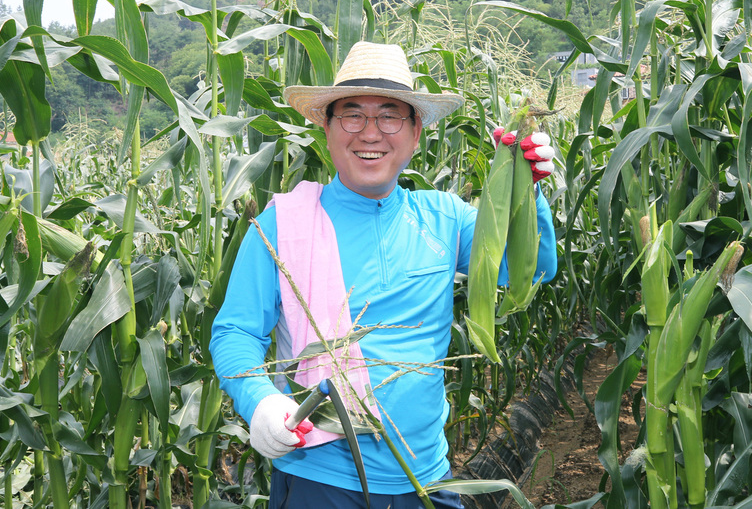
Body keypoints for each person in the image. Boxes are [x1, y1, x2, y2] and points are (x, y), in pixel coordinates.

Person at [210, 41, 557, 509]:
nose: (370, 133)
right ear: (327, 131)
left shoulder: (445, 219)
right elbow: (236, 330)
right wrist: (260, 401)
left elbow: (529, 270)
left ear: (415, 134)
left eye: (390, 115)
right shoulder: (280, 226)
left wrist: (524, 184)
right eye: (352, 115)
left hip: (427, 479)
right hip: (319, 480)